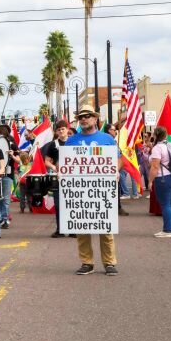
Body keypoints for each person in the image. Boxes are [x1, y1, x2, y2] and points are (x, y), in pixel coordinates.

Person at [66, 105, 119, 276]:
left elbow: (119, 159)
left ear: (95, 119)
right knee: (82, 228)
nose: (84, 119)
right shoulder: (71, 141)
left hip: (102, 188)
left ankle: (109, 263)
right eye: (81, 116)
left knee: (105, 228)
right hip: (79, 189)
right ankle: (87, 262)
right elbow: (66, 163)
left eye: (87, 116)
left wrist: (116, 171)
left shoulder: (107, 139)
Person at [148, 126, 171, 238]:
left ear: (156, 135)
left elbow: (155, 166)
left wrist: (150, 181)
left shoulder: (158, 148)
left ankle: (167, 230)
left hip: (163, 178)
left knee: (165, 204)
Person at [44, 120, 69, 238]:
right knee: (59, 204)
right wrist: (54, 168)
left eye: (63, 129)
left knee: (72, 204)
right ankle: (60, 229)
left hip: (73, 179)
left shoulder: (74, 142)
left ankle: (73, 229)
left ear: (67, 129)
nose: (61, 131)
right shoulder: (53, 144)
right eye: (58, 130)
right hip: (58, 178)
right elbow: (47, 161)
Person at [0, 125, 20, 229]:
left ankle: (4, 219)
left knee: (5, 198)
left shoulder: (12, 144)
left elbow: (19, 160)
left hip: (7, 174)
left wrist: (12, 155)